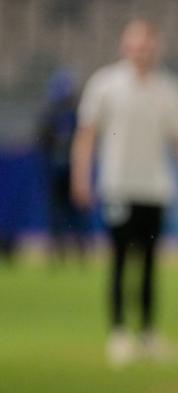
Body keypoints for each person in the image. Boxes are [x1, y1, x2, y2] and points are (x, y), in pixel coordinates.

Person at [71, 18, 178, 367]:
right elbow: (86, 134)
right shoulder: (106, 85)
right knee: (118, 260)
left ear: (155, 48)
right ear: (124, 47)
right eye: (135, 45)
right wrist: (81, 176)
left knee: (148, 262)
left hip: (155, 188)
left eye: (146, 45)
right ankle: (118, 333)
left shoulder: (170, 89)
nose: (141, 51)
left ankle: (146, 332)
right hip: (118, 186)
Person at [38, 69, 89, 265]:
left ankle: (75, 250)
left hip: (69, 171)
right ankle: (63, 251)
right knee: (64, 213)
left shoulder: (71, 114)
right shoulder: (55, 114)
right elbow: (43, 142)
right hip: (60, 171)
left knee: (71, 213)